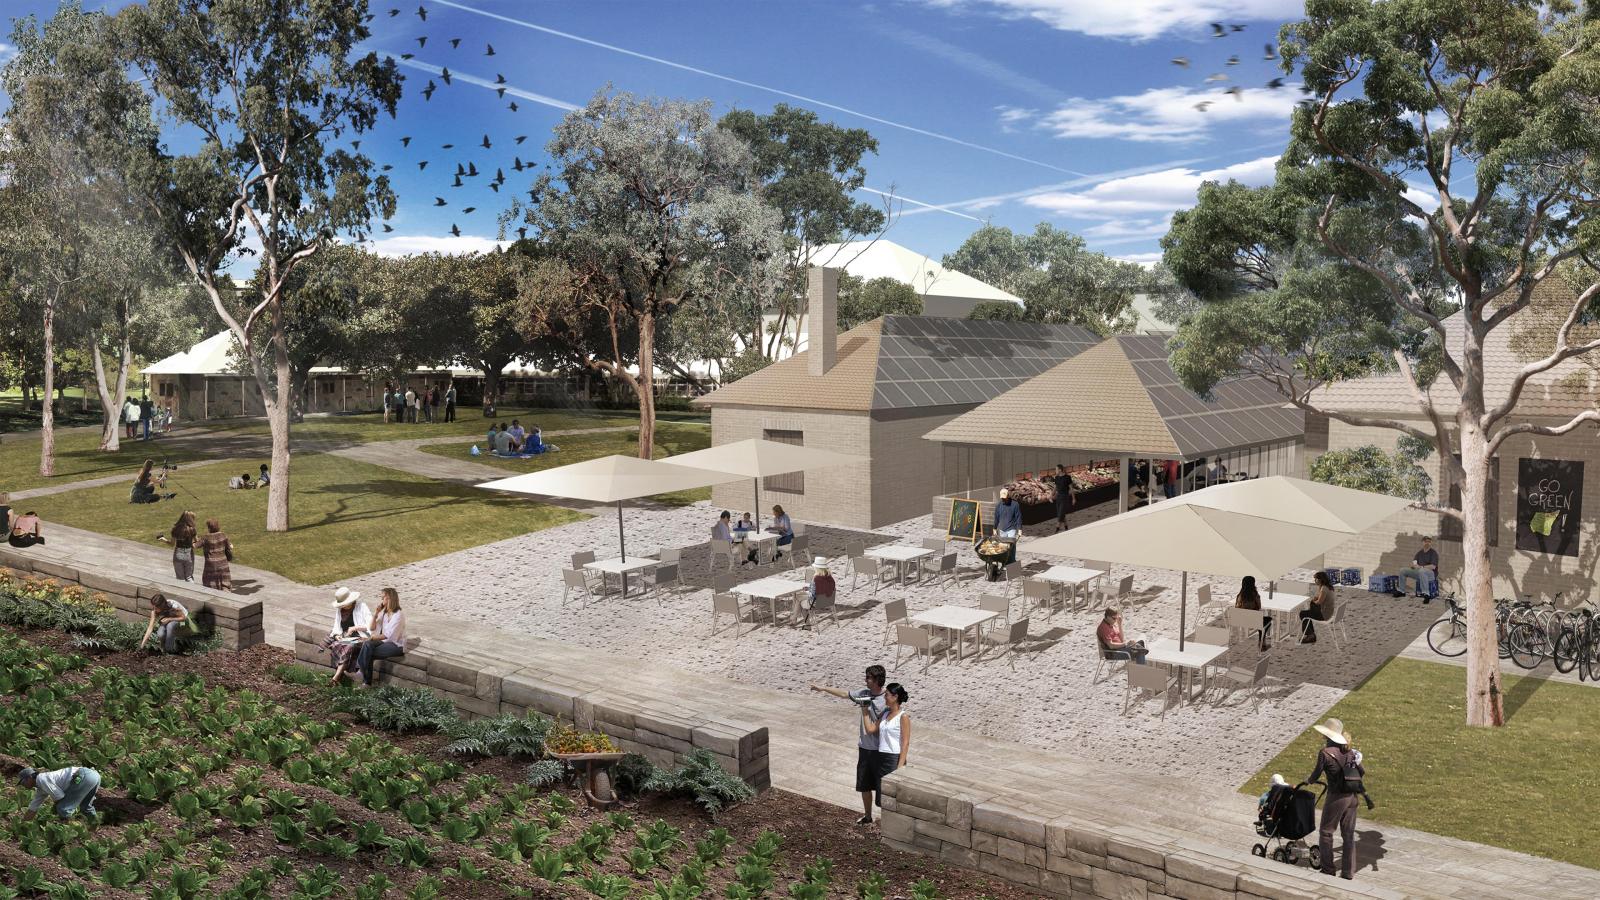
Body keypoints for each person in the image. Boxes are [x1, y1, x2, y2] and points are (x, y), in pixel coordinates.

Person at [808, 665, 888, 825]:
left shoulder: (887, 698)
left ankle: (887, 822)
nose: (865, 680)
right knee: (864, 785)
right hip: (865, 749)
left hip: (881, 751)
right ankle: (867, 816)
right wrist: (823, 688)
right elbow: (845, 694)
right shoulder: (864, 694)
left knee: (883, 789)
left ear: (877, 680)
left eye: (868, 678)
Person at [1306, 717, 1365, 880]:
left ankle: (1328, 869)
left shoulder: (1325, 753)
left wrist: (1308, 781)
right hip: (1353, 797)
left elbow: (1316, 774)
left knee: (1326, 832)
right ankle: (1348, 872)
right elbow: (1362, 771)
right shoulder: (1351, 752)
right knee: (1348, 835)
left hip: (1336, 797)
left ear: (1327, 735)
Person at [862, 682, 910, 807]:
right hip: (881, 757)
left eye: (887, 695)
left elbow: (905, 743)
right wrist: (865, 711)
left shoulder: (903, 717)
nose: (884, 697)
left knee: (892, 796)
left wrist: (900, 766)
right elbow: (870, 730)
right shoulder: (885, 714)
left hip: (893, 759)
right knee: (881, 797)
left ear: (895, 697)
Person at [322, 586, 373, 685]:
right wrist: (337, 636)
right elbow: (336, 627)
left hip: (362, 636)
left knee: (348, 646)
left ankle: (336, 678)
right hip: (347, 637)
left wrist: (355, 628)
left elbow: (371, 625)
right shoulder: (340, 610)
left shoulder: (362, 606)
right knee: (337, 644)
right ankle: (337, 678)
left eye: (344, 604)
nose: (342, 606)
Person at [357, 587, 407, 687]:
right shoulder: (384, 613)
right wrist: (376, 613)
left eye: (382, 598)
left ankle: (364, 680)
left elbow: (387, 635)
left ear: (389, 599)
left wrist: (370, 638)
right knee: (368, 646)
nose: (381, 600)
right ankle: (362, 676)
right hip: (384, 642)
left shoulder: (398, 615)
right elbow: (371, 628)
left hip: (396, 645)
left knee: (368, 651)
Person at [17, 765, 100, 821]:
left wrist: (56, 812)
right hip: (94, 776)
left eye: (23, 782)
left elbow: (59, 797)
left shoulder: (42, 779)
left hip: (82, 777)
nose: (23, 785)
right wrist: (23, 823)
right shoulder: (40, 787)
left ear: (30, 777)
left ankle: (69, 829)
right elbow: (33, 808)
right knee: (86, 807)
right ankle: (94, 826)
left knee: (63, 809)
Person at [1396, 536, 1439, 602]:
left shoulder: (1433, 553)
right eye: (1425, 541)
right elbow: (1414, 562)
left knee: (1422, 570)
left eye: (1429, 542)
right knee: (1403, 570)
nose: (1427, 543)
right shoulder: (1419, 553)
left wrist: (1421, 567)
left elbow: (1433, 566)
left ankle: (1426, 594)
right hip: (1420, 572)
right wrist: (1414, 566)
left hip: (1431, 574)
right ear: (1422, 542)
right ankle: (1401, 591)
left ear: (1431, 543)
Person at [1236, 575, 1271, 651]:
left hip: (1240, 620)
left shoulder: (1240, 595)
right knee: (1267, 620)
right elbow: (1259, 606)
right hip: (1253, 621)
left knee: (1260, 620)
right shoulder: (1254, 595)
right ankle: (1262, 643)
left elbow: (1237, 607)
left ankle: (1262, 642)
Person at [1300, 571, 1336, 643]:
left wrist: (1313, 601)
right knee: (1308, 612)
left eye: (1315, 579)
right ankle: (1311, 634)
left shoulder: (1324, 589)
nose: (1314, 581)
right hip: (1329, 612)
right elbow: (1318, 597)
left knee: (1303, 614)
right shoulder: (1327, 587)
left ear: (1320, 580)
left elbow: (1319, 602)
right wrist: (1315, 599)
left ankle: (1310, 635)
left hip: (1324, 615)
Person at [199, 518, 234, 592]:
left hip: (210, 565)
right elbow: (229, 546)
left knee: (210, 584)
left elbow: (195, 545)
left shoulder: (205, 537)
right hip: (223, 564)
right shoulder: (223, 535)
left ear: (209, 527)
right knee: (225, 584)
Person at [801, 558, 835, 627]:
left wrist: (808, 592)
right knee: (798, 596)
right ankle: (793, 618)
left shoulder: (816, 579)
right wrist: (809, 588)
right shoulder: (830, 578)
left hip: (815, 603)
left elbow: (812, 595)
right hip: (828, 601)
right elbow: (823, 589)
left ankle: (807, 624)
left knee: (799, 601)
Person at [994, 488, 1022, 565]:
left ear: (1008, 495)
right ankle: (1004, 563)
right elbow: (996, 518)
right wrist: (994, 528)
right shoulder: (999, 506)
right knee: (1003, 547)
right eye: (1002, 497)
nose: (1003, 499)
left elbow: (1018, 517)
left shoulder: (1015, 505)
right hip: (1002, 529)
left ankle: (1012, 562)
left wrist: (1019, 529)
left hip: (1011, 529)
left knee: (1011, 546)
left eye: (1004, 497)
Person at [169, 511, 198, 581]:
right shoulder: (192, 529)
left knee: (180, 578)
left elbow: (172, 544)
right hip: (188, 554)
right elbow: (196, 541)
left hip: (178, 554)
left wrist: (163, 540)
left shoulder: (175, 529)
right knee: (189, 577)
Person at [1052, 464, 1076, 533]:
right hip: (1058, 497)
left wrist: (1074, 498)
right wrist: (1051, 495)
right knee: (1061, 513)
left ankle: (1056, 530)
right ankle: (1066, 527)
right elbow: (1055, 488)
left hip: (1065, 497)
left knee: (1060, 514)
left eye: (1056, 469)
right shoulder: (1056, 478)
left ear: (1060, 470)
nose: (1055, 471)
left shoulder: (1067, 477)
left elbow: (1071, 489)